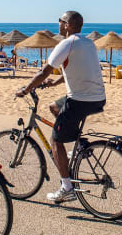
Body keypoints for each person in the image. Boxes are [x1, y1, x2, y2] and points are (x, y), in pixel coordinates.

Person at [16, 11, 106, 203]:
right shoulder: (88, 43)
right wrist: (53, 84)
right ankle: (78, 145)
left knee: (55, 141)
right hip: (97, 98)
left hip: (79, 100)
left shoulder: (66, 43)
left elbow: (44, 70)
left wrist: (26, 89)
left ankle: (67, 187)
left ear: (67, 25)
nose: (57, 23)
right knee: (54, 107)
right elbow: (74, 67)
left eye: (60, 21)